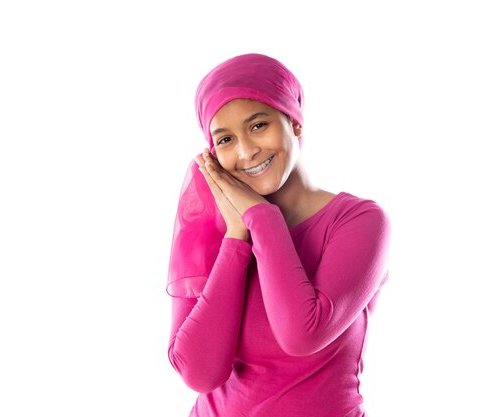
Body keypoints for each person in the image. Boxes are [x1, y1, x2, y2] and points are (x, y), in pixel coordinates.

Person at [166, 53, 391, 417]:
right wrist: (237, 238)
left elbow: (303, 333)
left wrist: (262, 216)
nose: (246, 150)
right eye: (225, 139)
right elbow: (200, 373)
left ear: (295, 122)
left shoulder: (359, 221)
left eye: (258, 125)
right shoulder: (212, 233)